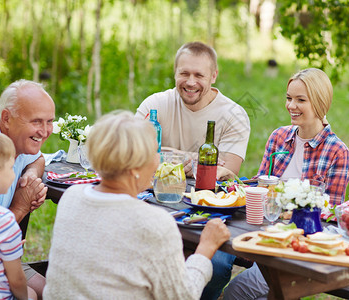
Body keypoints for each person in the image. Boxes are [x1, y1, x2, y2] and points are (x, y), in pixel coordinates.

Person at [43, 111, 231, 299]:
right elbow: (183, 296)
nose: (158, 160)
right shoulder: (154, 222)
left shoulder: (71, 197)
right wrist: (205, 248)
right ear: (135, 169)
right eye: (154, 153)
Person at [221, 68, 349, 299]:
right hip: (263, 232)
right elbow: (261, 187)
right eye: (289, 98)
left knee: (235, 292)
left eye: (301, 100)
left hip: (299, 247)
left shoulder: (337, 151)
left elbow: (329, 215)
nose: (291, 105)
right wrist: (234, 183)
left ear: (320, 103)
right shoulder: (279, 137)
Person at [135, 41, 250, 179]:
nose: (190, 82)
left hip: (208, 197)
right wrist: (186, 157)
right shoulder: (154, 105)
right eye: (184, 73)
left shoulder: (234, 116)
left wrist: (161, 157)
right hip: (156, 193)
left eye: (199, 75)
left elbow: (225, 173)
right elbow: (132, 152)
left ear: (213, 76)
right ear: (175, 73)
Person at [0, 79, 56, 299]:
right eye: (37, 121)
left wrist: (31, 174)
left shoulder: (21, 140)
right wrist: (20, 206)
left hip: (5, 257)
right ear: (7, 118)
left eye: (49, 122)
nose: (44, 132)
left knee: (54, 292)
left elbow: (39, 158)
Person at [0, 131, 36, 300]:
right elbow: (17, 280)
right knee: (32, 294)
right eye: (12, 168)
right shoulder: (2, 221)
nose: (15, 174)